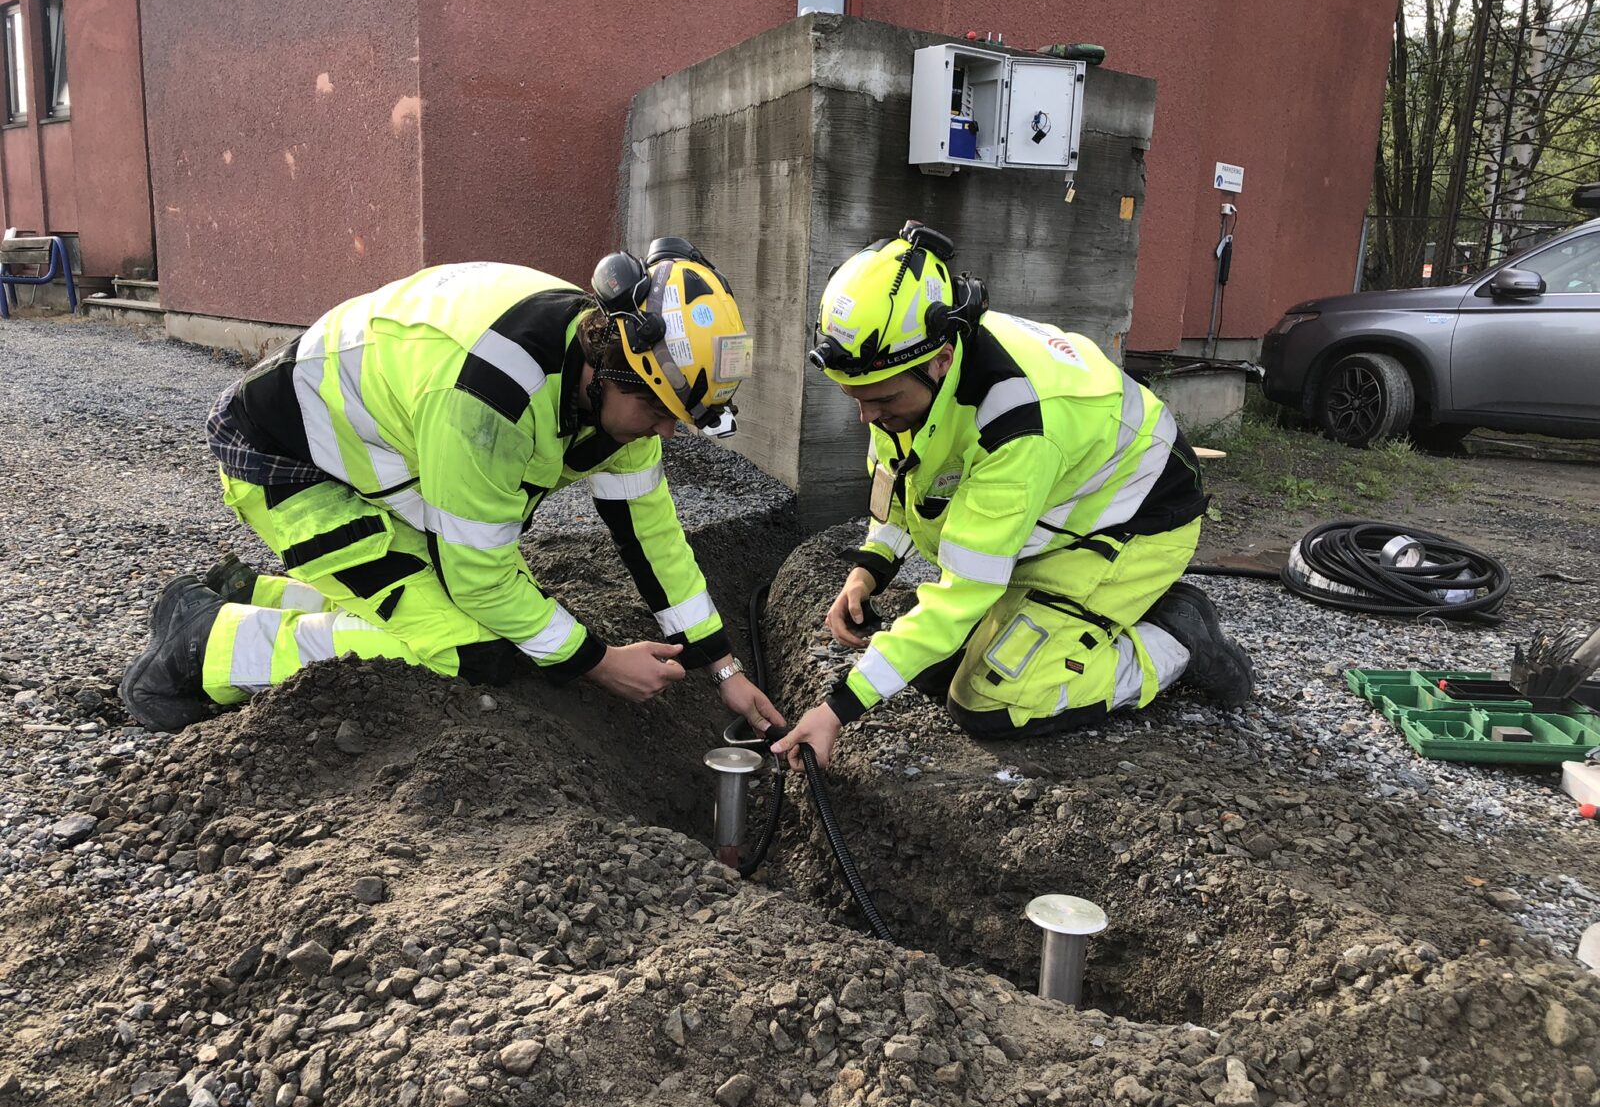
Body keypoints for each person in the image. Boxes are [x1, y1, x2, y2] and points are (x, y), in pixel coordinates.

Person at [121, 242, 785, 737]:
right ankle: (206, 643)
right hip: (289, 464)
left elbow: (651, 534)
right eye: (659, 412)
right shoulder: (493, 397)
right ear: (613, 367)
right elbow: (480, 578)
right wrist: (599, 662)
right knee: (465, 651)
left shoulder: (606, 369)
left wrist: (722, 666)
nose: (665, 433)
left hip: (381, 463)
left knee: (500, 627)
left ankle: (257, 596)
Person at [773, 221, 1252, 771]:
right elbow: (903, 481)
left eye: (880, 400)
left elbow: (964, 591)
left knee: (993, 699)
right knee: (931, 663)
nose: (867, 416)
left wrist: (838, 709)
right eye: (854, 397)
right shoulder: (907, 370)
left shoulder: (1015, 425)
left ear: (940, 360)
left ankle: (1176, 638)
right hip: (1059, 509)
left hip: (1131, 525)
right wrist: (869, 569)